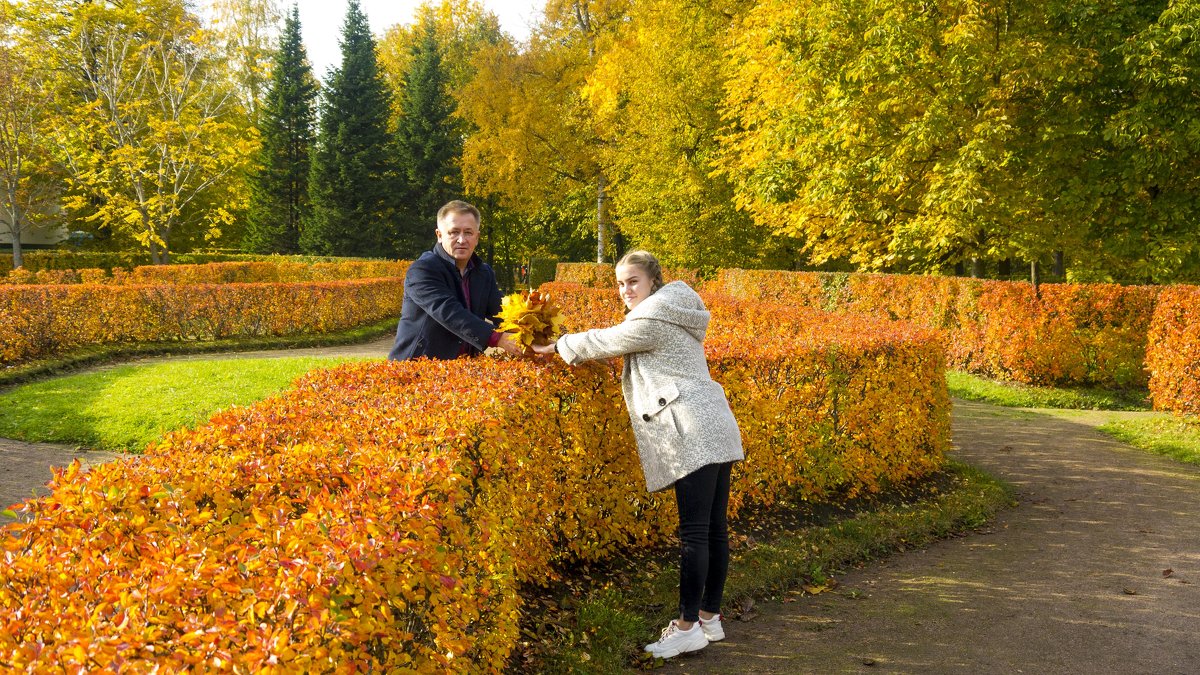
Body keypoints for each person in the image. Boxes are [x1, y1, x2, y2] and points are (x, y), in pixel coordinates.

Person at [531, 250, 744, 660]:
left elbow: (605, 340)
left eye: (633, 281)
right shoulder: (679, 311)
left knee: (696, 532)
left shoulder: (652, 318)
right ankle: (709, 618)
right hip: (716, 420)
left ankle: (685, 629)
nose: (625, 290)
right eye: (620, 283)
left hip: (691, 428)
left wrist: (556, 346)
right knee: (715, 528)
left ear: (653, 284)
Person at [388, 200, 522, 361]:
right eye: (454, 232)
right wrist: (497, 338)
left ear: (477, 237)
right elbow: (448, 312)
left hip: (464, 372)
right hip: (417, 371)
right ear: (439, 235)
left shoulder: (483, 272)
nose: (461, 239)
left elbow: (503, 311)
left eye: (468, 232)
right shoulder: (422, 270)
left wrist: (532, 332)